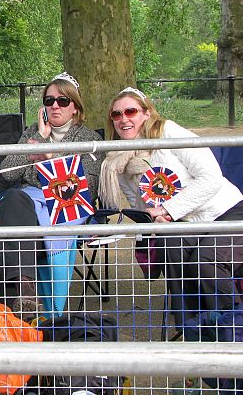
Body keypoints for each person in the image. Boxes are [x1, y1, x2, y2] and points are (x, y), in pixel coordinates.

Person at [100, 87, 243, 326]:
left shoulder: (167, 132)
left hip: (226, 211)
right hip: (185, 223)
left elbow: (211, 178)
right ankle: (191, 326)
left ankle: (230, 326)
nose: (123, 119)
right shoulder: (119, 161)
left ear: (146, 113)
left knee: (205, 261)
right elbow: (140, 205)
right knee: (170, 246)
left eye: (130, 111)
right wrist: (155, 217)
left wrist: (169, 209)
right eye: (116, 114)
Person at [0, 72, 103, 320]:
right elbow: (7, 172)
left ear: (75, 107)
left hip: (65, 209)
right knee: (12, 198)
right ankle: (26, 293)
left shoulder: (90, 139)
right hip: (26, 207)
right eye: (49, 100)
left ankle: (12, 310)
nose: (55, 106)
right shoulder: (33, 132)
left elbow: (87, 189)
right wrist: (39, 140)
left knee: (1, 235)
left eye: (63, 101)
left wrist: (51, 158)